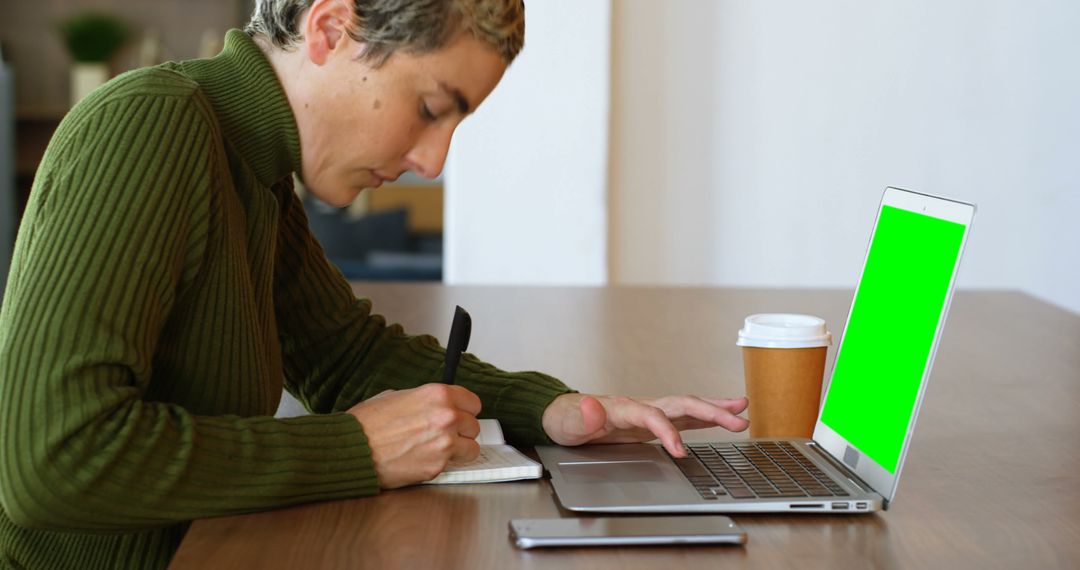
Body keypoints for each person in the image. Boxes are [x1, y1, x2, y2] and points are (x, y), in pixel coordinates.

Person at [0, 0, 749, 568]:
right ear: (331, 28)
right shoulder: (151, 128)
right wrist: (355, 449)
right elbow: (49, 460)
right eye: (430, 109)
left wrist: (555, 409)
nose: (433, 161)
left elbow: (344, 355)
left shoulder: (249, 163)